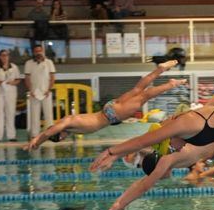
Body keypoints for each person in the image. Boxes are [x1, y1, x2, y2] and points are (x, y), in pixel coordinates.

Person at [24, 59, 184, 150]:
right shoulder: (72, 127)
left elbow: (52, 129)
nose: (64, 137)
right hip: (109, 109)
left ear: (60, 134)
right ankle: (160, 70)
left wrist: (38, 140)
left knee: (144, 96)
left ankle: (170, 84)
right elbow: (55, 130)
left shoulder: (68, 123)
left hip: (112, 114)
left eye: (61, 138)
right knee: (138, 89)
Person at [0, 50, 21, 142]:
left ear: (9, 57)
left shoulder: (14, 67)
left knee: (10, 113)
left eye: (6, 55)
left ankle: (11, 135)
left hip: (10, 92)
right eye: (2, 55)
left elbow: (18, 80)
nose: (4, 57)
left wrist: (12, 82)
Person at [25, 44, 56, 139]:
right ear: (34, 53)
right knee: (34, 115)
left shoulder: (49, 62)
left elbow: (52, 78)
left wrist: (48, 90)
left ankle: (50, 134)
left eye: (40, 51)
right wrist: (31, 91)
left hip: (46, 92)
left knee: (48, 115)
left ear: (43, 51)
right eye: (36, 51)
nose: (38, 52)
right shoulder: (29, 63)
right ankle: (35, 135)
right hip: (34, 93)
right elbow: (27, 78)